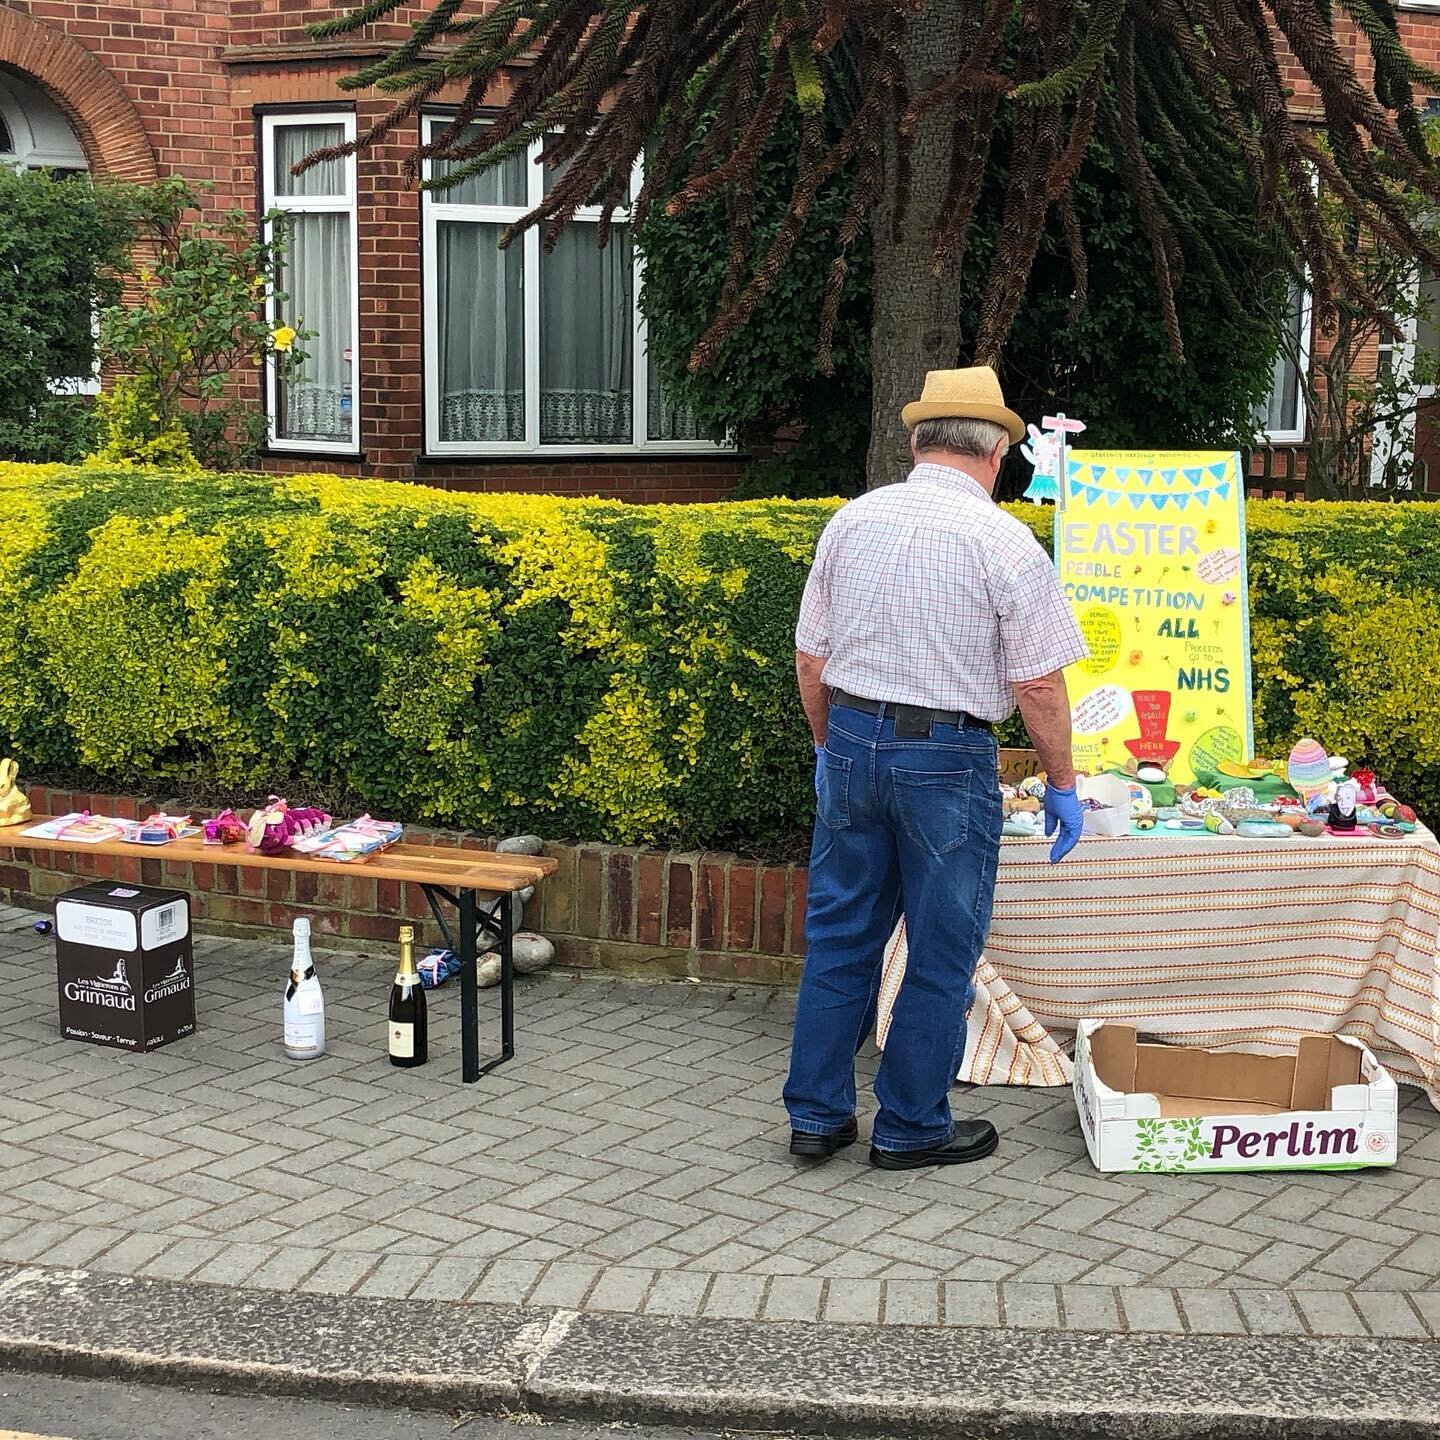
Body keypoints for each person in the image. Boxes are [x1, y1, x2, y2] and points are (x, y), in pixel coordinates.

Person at [784, 366, 1087, 1172]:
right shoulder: (1004, 541)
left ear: (917, 441)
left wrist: (827, 749)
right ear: (996, 456)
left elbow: (811, 659)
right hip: (946, 760)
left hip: (850, 738)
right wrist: (1063, 785)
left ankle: (816, 1118)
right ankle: (910, 1126)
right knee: (941, 948)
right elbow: (1037, 685)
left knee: (841, 937)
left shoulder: (853, 521)